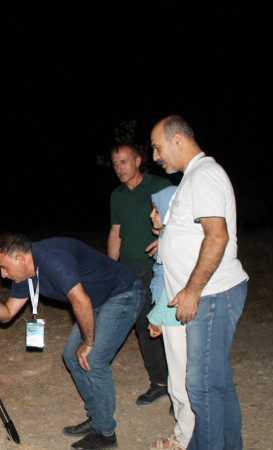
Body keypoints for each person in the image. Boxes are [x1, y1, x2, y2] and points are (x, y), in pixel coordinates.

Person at [0, 234, 144, 450]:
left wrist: (88, 343)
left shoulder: (52, 258)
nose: (3, 275)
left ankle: (106, 433)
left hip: (122, 293)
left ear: (20, 258)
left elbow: (80, 301)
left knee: (94, 359)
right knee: (72, 357)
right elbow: (6, 315)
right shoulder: (25, 276)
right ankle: (96, 418)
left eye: (4, 268)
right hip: (97, 301)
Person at [151, 115, 248, 449]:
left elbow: (216, 236)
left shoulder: (204, 175)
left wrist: (192, 290)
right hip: (210, 294)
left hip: (213, 294)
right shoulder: (192, 177)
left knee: (202, 384)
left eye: (157, 147)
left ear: (177, 140)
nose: (155, 156)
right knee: (217, 382)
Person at [108, 143, 173, 406]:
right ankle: (160, 383)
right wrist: (110, 270)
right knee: (145, 328)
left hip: (159, 267)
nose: (119, 168)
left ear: (137, 160)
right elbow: (115, 233)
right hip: (129, 270)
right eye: (115, 164)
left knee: (170, 327)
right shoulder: (118, 195)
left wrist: (167, 238)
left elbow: (183, 219)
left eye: (123, 161)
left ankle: (182, 388)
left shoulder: (160, 185)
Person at [146, 185, 193, 450]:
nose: (152, 216)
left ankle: (185, 439)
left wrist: (157, 318)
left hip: (176, 318)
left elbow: (172, 286)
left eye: (156, 210)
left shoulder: (175, 242)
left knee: (180, 381)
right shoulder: (171, 239)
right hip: (175, 317)